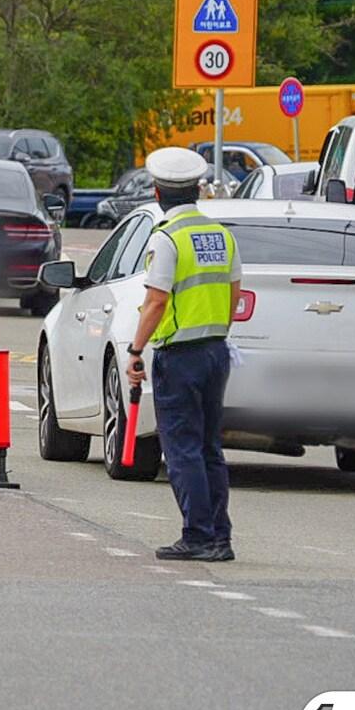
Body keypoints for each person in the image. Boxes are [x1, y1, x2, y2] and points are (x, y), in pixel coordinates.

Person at [125, 147, 241, 562]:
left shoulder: (167, 237)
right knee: (210, 447)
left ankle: (197, 535)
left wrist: (135, 350)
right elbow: (233, 294)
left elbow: (155, 302)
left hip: (181, 357)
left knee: (183, 449)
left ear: (157, 193)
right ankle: (219, 538)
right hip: (216, 350)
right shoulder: (221, 234)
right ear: (198, 190)